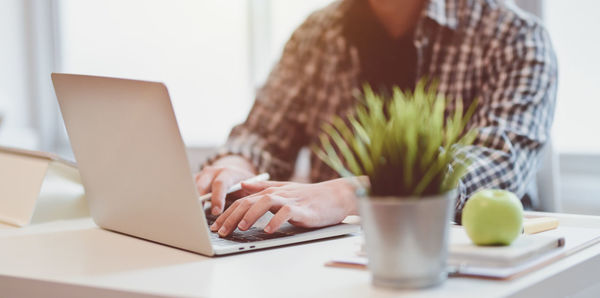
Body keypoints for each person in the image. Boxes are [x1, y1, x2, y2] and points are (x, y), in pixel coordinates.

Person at [196, 0, 557, 237]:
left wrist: (352, 193)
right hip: (329, 257)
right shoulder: (317, 33)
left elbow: (497, 163)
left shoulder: (515, 37)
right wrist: (234, 168)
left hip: (462, 257)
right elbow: (261, 133)